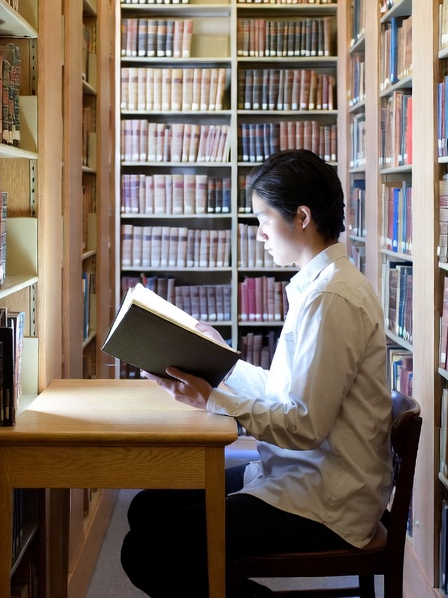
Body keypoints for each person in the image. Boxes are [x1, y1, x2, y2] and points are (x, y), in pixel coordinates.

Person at [120, 149, 393, 598]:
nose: (260, 232)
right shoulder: (319, 287)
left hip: (326, 499)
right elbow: (287, 391)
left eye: (265, 218)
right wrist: (222, 360)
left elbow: (304, 425)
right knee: (149, 508)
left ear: (301, 216)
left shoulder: (332, 300)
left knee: (146, 551)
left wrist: (211, 399)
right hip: (300, 474)